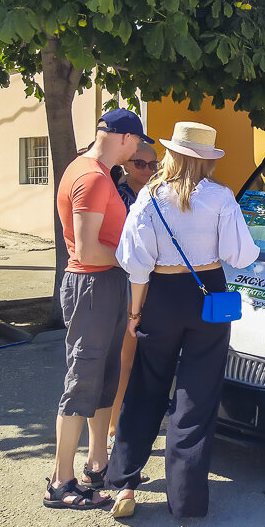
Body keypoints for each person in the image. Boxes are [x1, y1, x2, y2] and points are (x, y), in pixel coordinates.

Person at [107, 122, 260, 519]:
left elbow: (136, 265)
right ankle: (186, 498)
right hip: (208, 294)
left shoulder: (149, 199)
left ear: (172, 153)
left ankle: (124, 482)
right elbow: (241, 256)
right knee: (197, 394)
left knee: (146, 385)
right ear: (206, 159)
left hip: (160, 294)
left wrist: (135, 311)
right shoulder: (222, 198)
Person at [43, 109, 150, 510]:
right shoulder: (91, 176)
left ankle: (96, 463)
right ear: (124, 138)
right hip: (92, 284)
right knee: (81, 384)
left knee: (104, 380)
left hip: (104, 284)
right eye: (138, 143)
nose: (139, 150)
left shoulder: (95, 172)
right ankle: (61, 481)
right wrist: (133, 260)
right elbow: (88, 249)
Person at [108, 141, 159, 446]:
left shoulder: (158, 195)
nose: (149, 170)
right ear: (127, 163)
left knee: (149, 359)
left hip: (159, 283)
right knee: (125, 360)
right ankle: (114, 426)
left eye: (154, 165)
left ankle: (137, 419)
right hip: (128, 283)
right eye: (141, 164)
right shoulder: (117, 196)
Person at [116, 142, 158, 210]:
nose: (147, 169)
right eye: (139, 163)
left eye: (152, 164)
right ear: (126, 165)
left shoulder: (161, 196)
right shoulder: (118, 198)